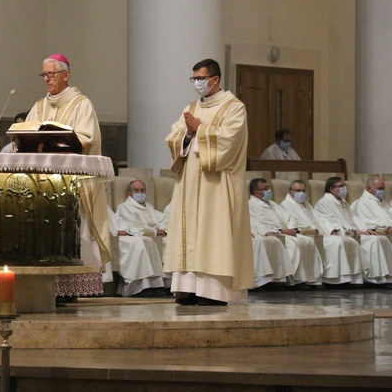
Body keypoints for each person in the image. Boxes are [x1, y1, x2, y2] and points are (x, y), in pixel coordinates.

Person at [164, 58, 253, 306]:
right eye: (194, 79)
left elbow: (230, 140)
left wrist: (199, 130)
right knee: (189, 232)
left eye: (201, 79)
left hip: (218, 183)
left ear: (215, 79)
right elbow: (173, 136)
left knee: (214, 233)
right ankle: (187, 288)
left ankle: (214, 291)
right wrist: (189, 133)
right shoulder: (191, 107)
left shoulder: (233, 107)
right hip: (190, 182)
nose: (197, 83)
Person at [27, 53, 111, 296]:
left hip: (73, 183)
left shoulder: (81, 104)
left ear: (66, 75)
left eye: (52, 74)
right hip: (43, 184)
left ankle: (72, 288)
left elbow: (87, 139)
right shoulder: (39, 106)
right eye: (44, 74)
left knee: (75, 229)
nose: (47, 79)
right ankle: (48, 286)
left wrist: (53, 142)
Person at [280, 179, 365, 285]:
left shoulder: (307, 205)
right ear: (290, 192)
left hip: (320, 232)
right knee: (338, 242)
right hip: (304, 234)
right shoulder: (285, 205)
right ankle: (333, 277)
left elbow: (321, 220)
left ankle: (348, 277)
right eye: (298, 191)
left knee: (348, 241)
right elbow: (290, 223)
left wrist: (331, 229)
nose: (301, 193)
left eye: (303, 190)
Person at [315, 177, 392, 286]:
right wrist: (353, 232)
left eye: (344, 186)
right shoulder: (324, 202)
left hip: (352, 232)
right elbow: (329, 221)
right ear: (332, 189)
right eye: (341, 186)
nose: (344, 188)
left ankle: (384, 275)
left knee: (380, 238)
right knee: (373, 242)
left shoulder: (343, 203)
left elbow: (354, 219)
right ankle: (371, 276)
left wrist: (365, 229)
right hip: (342, 233)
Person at [248, 178, 323, 286]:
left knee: (308, 241)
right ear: (256, 192)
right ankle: (291, 279)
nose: (269, 190)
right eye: (265, 188)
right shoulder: (251, 205)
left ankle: (307, 279)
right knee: (294, 244)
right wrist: (280, 231)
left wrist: (292, 229)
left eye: (269, 187)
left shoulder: (272, 204)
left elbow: (288, 218)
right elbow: (257, 223)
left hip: (286, 232)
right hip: (274, 233)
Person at [107, 206, 165, 297]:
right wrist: (115, 232)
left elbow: (120, 221)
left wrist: (123, 229)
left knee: (148, 240)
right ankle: (138, 287)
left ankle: (155, 284)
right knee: (137, 243)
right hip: (110, 238)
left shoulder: (105, 206)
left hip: (120, 235)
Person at [116, 180, 167, 259]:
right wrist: (154, 231)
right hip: (145, 238)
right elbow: (133, 226)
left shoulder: (148, 206)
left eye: (142, 190)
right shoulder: (125, 207)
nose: (140, 193)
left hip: (159, 236)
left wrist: (163, 229)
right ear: (129, 192)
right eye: (136, 190)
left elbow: (163, 218)